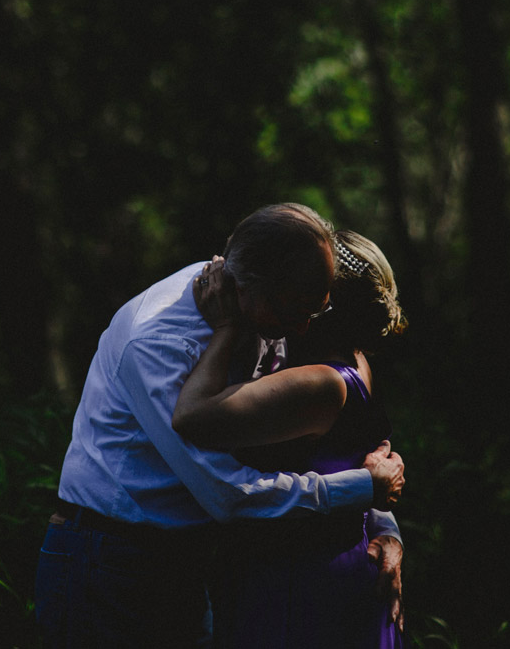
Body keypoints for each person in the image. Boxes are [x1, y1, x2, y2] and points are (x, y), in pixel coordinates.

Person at [35, 204, 405, 649]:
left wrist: (380, 523)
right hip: (111, 562)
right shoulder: (157, 344)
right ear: (246, 287)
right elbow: (227, 494)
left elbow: (334, 438)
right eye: (295, 313)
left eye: (317, 311)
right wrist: (362, 491)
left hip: (188, 562)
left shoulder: (278, 292)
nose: (302, 329)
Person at [175, 230, 410, 648]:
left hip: (302, 584)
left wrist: (226, 326)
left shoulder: (318, 383)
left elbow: (192, 416)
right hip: (338, 568)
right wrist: (388, 530)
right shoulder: (356, 364)